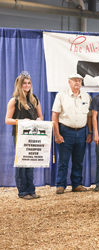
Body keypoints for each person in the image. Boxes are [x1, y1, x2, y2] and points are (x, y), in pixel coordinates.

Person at [52, 73, 93, 195]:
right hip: (65, 131)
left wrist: (90, 132)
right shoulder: (61, 95)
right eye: (74, 80)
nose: (77, 83)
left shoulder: (86, 97)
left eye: (79, 80)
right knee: (63, 160)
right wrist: (56, 134)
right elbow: (55, 115)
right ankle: (60, 185)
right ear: (69, 82)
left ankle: (76, 184)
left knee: (78, 160)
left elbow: (89, 116)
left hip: (81, 132)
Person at [5, 71, 43, 200]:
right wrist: (21, 121)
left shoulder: (34, 99)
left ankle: (31, 190)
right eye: (24, 83)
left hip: (32, 135)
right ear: (19, 85)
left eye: (29, 83)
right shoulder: (14, 100)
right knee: (21, 163)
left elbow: (40, 116)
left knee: (30, 161)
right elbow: (7, 120)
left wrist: (39, 120)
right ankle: (22, 191)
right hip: (20, 135)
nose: (27, 85)